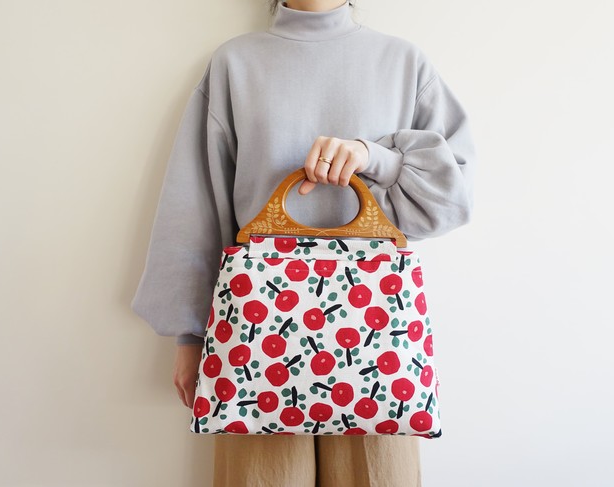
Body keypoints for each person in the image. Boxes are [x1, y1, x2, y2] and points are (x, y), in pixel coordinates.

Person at [131, 0, 476, 485]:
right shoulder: (235, 63)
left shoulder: (403, 62)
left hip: (375, 340)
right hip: (254, 336)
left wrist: (373, 157)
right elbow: (195, 205)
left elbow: (452, 201)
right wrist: (189, 336)